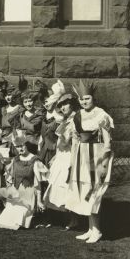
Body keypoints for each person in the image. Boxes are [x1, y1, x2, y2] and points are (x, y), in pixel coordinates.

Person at [67, 80, 114, 244]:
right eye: (81, 99)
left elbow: (107, 143)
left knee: (94, 194)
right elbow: (75, 139)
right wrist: (73, 161)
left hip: (97, 156)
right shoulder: (77, 116)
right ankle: (90, 229)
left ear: (93, 98)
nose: (84, 101)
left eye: (87, 98)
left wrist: (103, 164)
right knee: (85, 192)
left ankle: (98, 230)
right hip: (82, 156)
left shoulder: (101, 115)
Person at [0, 137, 48, 231]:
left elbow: (38, 184)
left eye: (22, 146)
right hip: (17, 194)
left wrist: (39, 201)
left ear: (27, 146)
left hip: (29, 195)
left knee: (19, 217)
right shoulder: (15, 160)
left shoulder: (35, 160)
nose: (20, 149)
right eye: (17, 147)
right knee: (4, 220)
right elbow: (10, 180)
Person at [43, 93, 78, 229]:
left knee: (68, 186)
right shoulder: (65, 120)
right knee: (57, 185)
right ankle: (65, 218)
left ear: (72, 104)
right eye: (61, 105)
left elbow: (72, 142)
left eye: (65, 104)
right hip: (61, 156)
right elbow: (59, 142)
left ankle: (75, 219)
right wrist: (56, 156)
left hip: (70, 155)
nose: (63, 107)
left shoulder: (76, 119)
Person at [38, 80, 66, 166]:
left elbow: (62, 138)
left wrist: (57, 155)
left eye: (47, 101)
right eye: (43, 102)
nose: (45, 104)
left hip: (55, 150)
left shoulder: (60, 116)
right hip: (43, 149)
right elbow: (42, 135)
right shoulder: (43, 114)